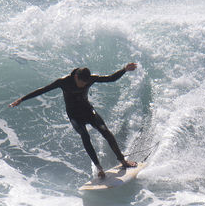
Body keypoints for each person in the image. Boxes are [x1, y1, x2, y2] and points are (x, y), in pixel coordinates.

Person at [9, 63, 138, 179]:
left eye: (86, 83)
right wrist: (22, 99)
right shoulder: (63, 82)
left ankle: (123, 161)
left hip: (88, 110)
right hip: (74, 115)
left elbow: (110, 78)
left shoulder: (90, 78)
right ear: (76, 77)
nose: (83, 85)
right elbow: (42, 90)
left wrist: (124, 70)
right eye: (82, 83)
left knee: (105, 131)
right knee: (84, 135)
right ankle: (99, 168)